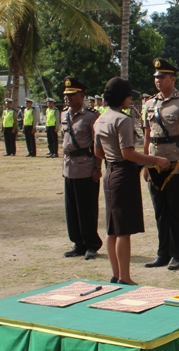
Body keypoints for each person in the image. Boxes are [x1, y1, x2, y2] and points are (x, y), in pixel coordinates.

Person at [95, 77, 170, 285]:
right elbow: (128, 153)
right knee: (123, 230)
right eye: (129, 96)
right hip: (123, 174)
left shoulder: (100, 119)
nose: (130, 100)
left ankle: (116, 273)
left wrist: (112, 157)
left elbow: (97, 151)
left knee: (112, 227)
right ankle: (125, 277)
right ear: (122, 98)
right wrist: (155, 160)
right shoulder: (123, 120)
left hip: (110, 171)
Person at [142, 58, 179, 271]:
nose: (158, 81)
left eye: (162, 77)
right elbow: (146, 135)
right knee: (159, 210)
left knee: (176, 211)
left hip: (175, 163)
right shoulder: (149, 104)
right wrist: (145, 163)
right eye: (156, 77)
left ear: (173, 78)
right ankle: (162, 252)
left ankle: (176, 254)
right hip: (155, 163)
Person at [60, 77, 103, 261]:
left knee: (87, 208)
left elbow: (97, 143)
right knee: (72, 208)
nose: (67, 99)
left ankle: (91, 244)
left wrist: (97, 167)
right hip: (69, 167)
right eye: (66, 95)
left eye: (71, 95)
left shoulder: (90, 116)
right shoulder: (64, 115)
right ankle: (77, 242)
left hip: (86, 167)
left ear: (81, 95)